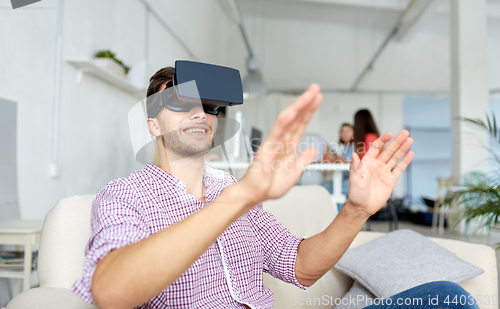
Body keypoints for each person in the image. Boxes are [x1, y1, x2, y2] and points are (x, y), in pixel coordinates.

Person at [72, 65, 477, 309]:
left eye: (210, 106)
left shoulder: (231, 190)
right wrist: (242, 196)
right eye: (181, 103)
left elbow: (299, 266)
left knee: (444, 295)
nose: (201, 113)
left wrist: (356, 210)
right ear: (153, 124)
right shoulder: (126, 195)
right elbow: (111, 292)